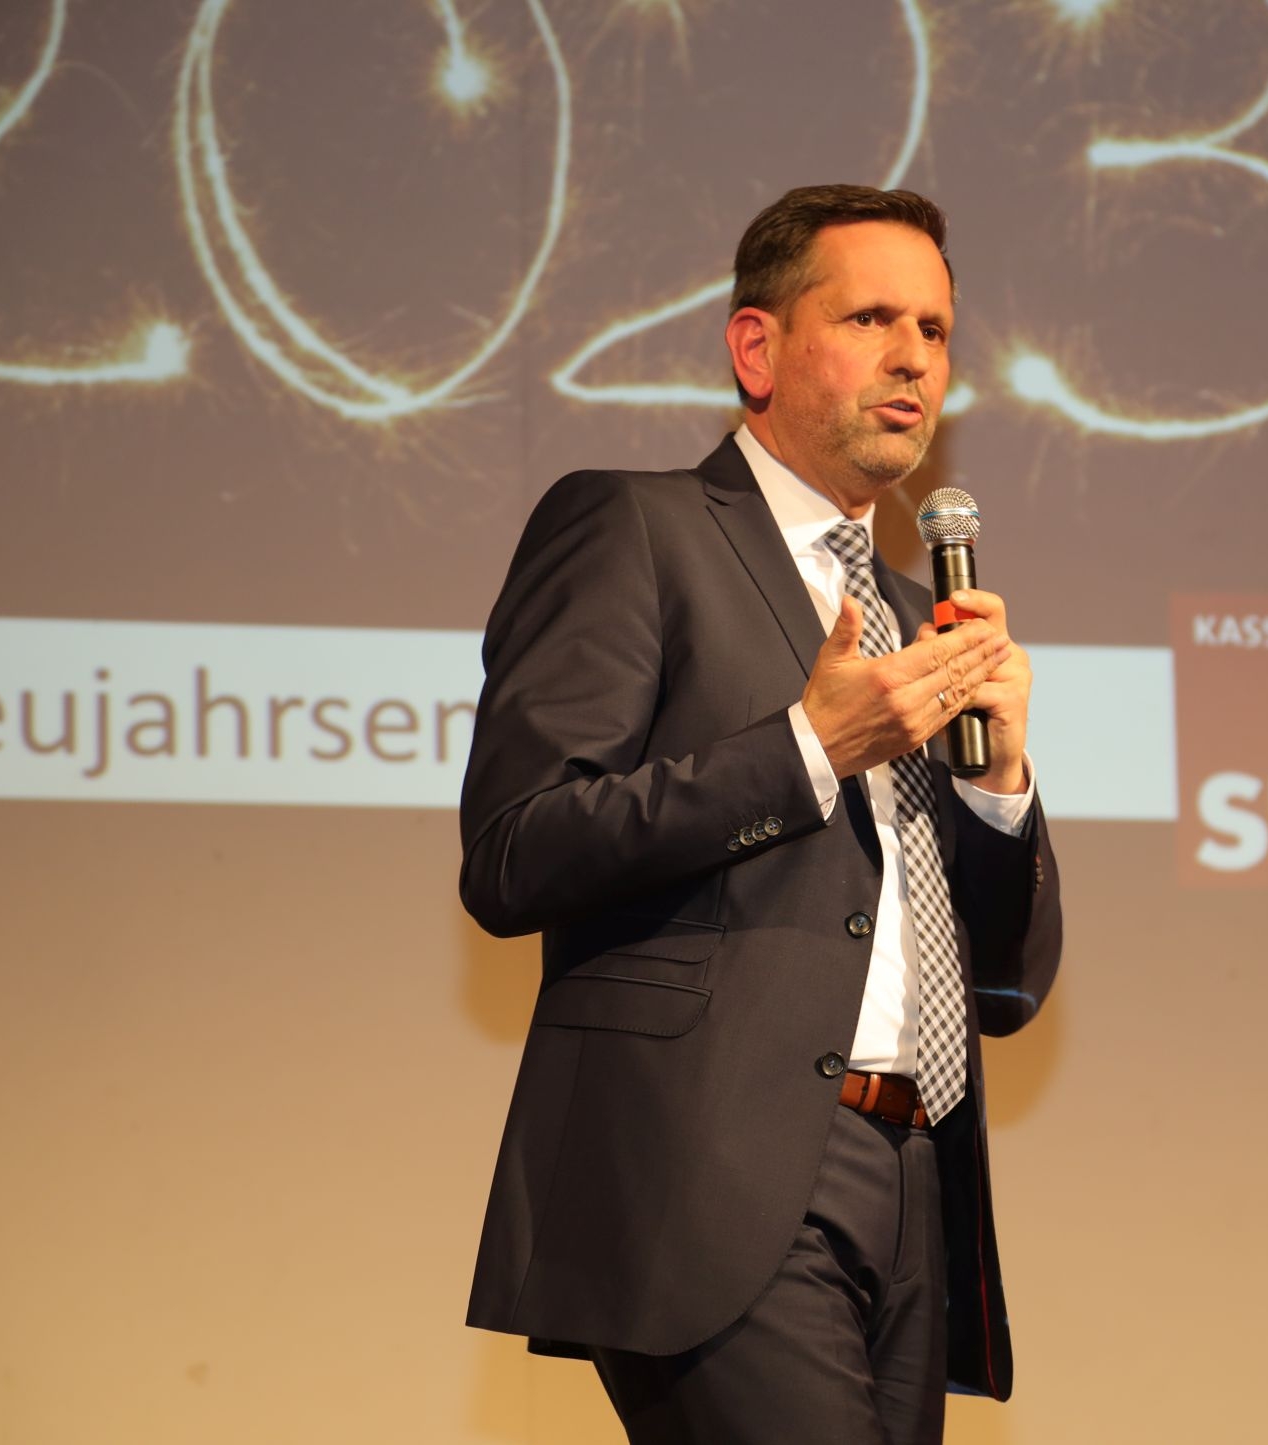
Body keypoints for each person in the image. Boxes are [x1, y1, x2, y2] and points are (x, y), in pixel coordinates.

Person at [457, 184, 1062, 1444]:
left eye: (936, 330)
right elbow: (516, 850)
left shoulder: (920, 617)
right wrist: (806, 748)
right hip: (711, 1173)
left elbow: (1005, 987)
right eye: (872, 319)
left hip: (918, 1177)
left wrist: (999, 783)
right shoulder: (636, 527)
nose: (914, 358)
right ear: (757, 347)